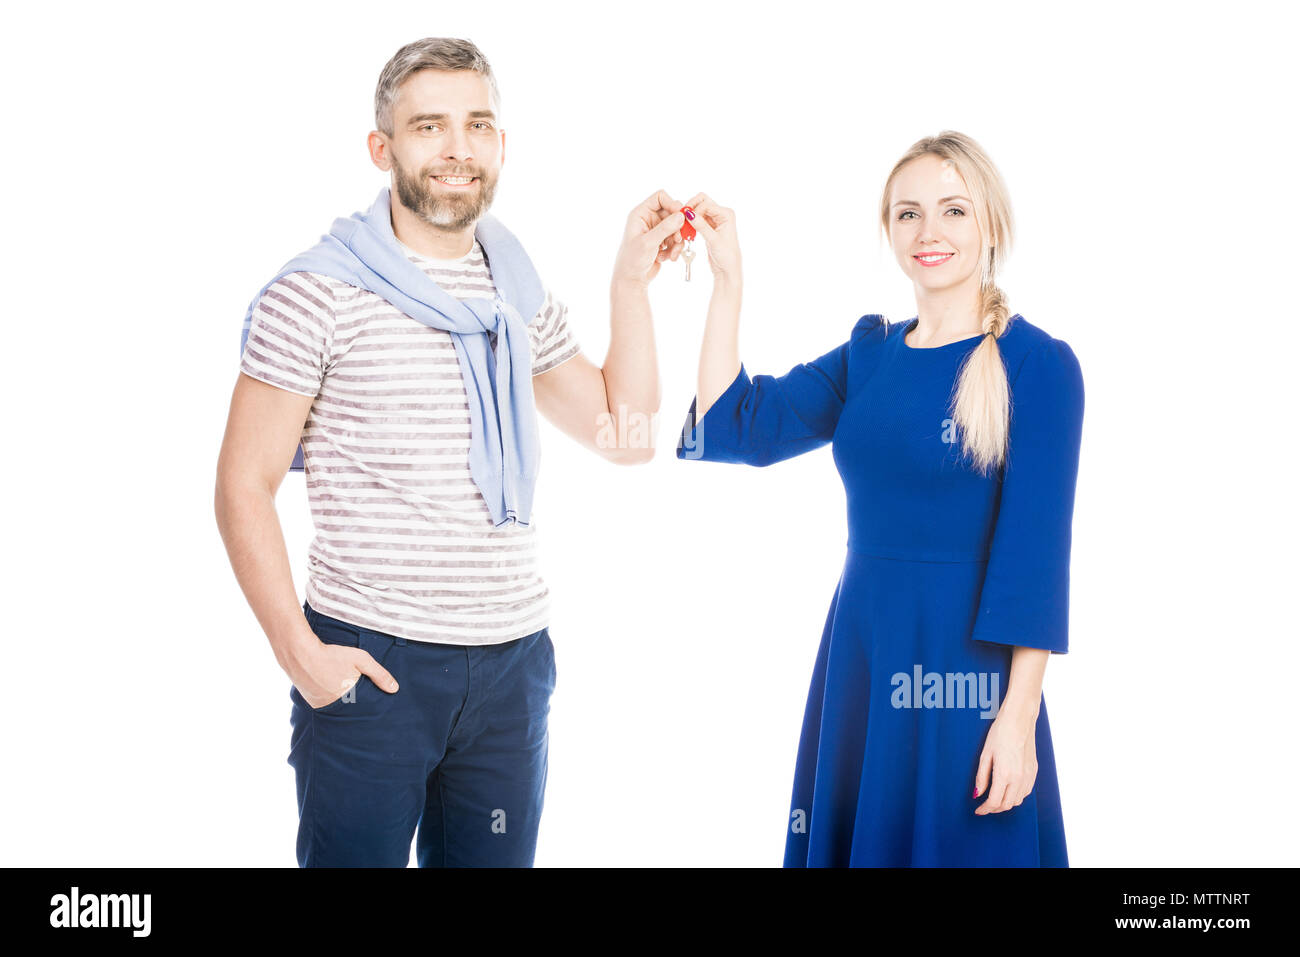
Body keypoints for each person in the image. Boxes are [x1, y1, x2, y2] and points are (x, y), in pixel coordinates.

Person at [214, 37, 689, 867]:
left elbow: (629, 434)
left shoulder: (515, 290)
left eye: (478, 125)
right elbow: (241, 485)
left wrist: (628, 284)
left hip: (512, 670)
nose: (457, 148)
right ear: (383, 147)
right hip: (371, 668)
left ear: (502, 145)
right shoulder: (316, 291)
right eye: (429, 126)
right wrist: (302, 655)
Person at [675, 131, 1085, 866]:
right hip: (862, 656)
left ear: (990, 223)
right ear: (888, 229)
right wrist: (728, 280)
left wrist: (1017, 716)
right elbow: (735, 427)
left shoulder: (1038, 364)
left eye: (954, 211)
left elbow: (1035, 559)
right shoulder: (870, 352)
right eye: (908, 214)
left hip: (969, 672)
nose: (930, 233)